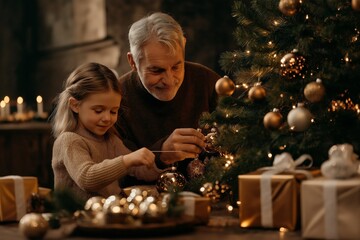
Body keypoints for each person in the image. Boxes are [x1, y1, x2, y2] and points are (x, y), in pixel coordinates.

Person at [115, 12, 221, 184]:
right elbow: (113, 174)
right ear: (133, 61)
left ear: (184, 46)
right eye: (156, 71)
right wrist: (160, 154)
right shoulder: (115, 100)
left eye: (176, 66)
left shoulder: (207, 81)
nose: (170, 81)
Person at [50, 62, 162, 201]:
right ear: (75, 105)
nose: (107, 118)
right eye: (98, 110)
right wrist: (128, 160)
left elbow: (140, 170)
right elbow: (87, 178)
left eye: (113, 111)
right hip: (75, 218)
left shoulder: (111, 140)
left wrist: (161, 162)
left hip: (108, 216)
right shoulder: (69, 141)